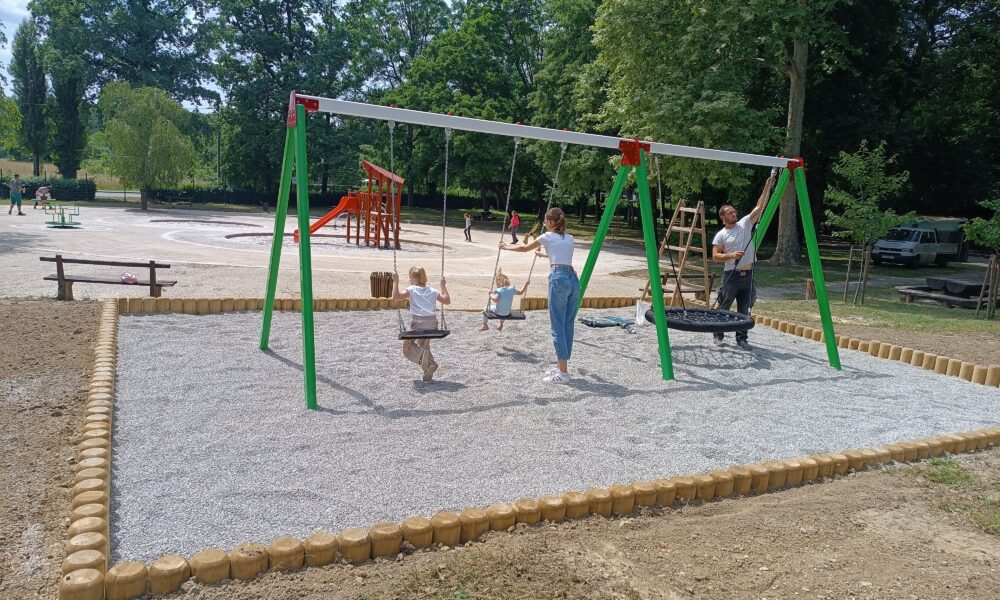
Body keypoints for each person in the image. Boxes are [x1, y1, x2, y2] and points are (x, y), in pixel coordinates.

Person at [500, 207, 577, 384]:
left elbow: (525, 248)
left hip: (558, 278)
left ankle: (563, 373)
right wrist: (544, 254)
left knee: (557, 324)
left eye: (544, 220)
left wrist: (506, 247)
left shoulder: (547, 237)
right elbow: (561, 255)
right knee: (567, 324)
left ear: (550, 222)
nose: (543, 223)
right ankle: (561, 366)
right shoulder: (570, 238)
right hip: (573, 279)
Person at [711, 174, 776, 350]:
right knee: (724, 306)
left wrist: (767, 185)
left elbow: (760, 206)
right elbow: (715, 256)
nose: (734, 213)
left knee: (744, 309)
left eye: (734, 211)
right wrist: (731, 256)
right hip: (731, 276)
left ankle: (742, 338)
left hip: (748, 274)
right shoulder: (721, 234)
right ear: (722, 217)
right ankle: (718, 334)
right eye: (729, 212)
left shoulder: (745, 223)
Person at [392, 266, 451, 381]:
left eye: (410, 278)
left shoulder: (412, 289)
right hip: (433, 326)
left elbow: (396, 297)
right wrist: (443, 286)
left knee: (407, 348)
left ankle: (426, 358)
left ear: (414, 279)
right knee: (423, 343)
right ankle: (430, 365)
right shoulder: (433, 291)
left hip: (418, 326)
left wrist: (396, 282)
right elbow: (447, 301)